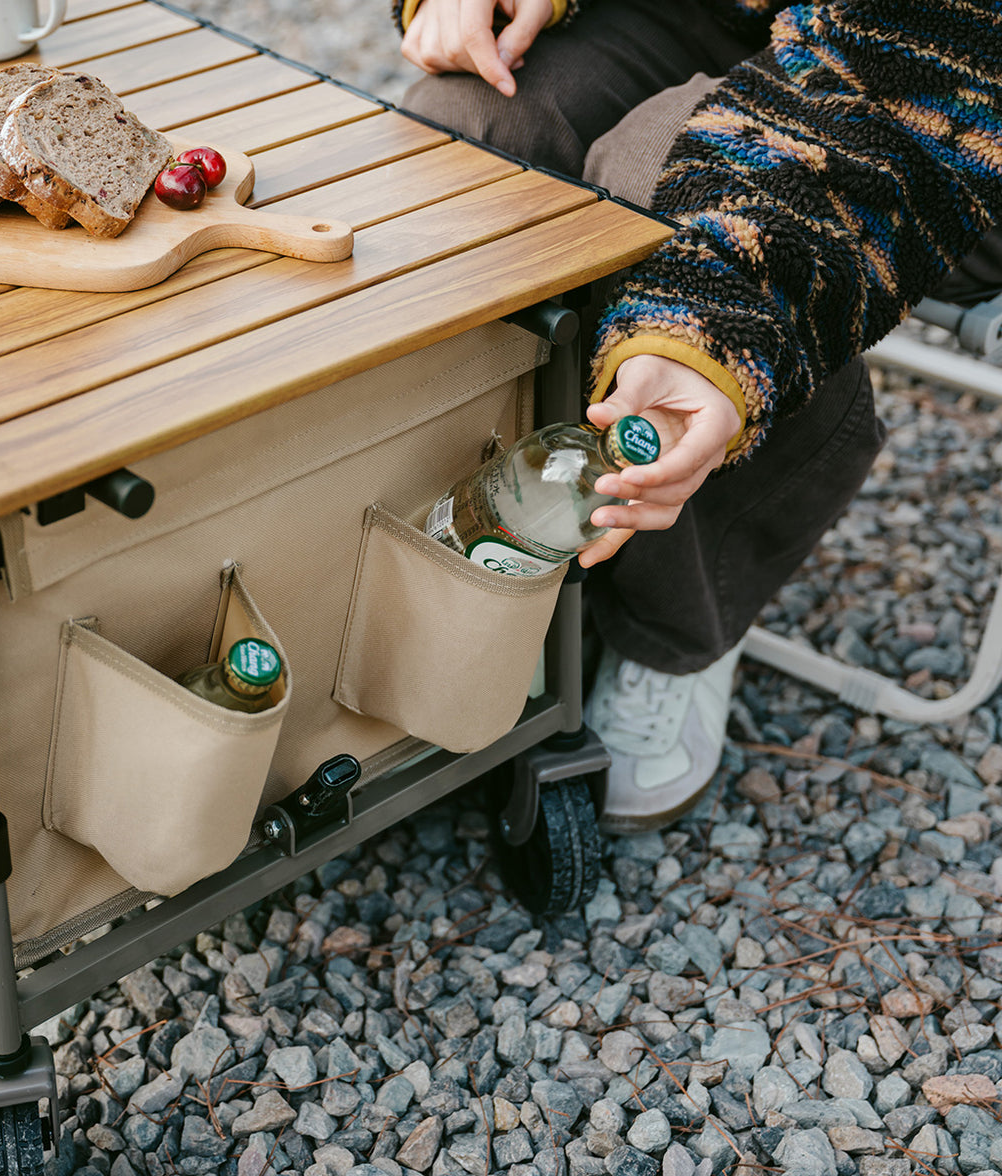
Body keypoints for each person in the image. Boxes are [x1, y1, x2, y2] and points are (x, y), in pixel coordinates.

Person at [392, 0, 1002, 831]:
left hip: (944, 94)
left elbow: (908, 81)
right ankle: (478, 547)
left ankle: (678, 616)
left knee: (655, 192)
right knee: (468, 128)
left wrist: (707, 326)